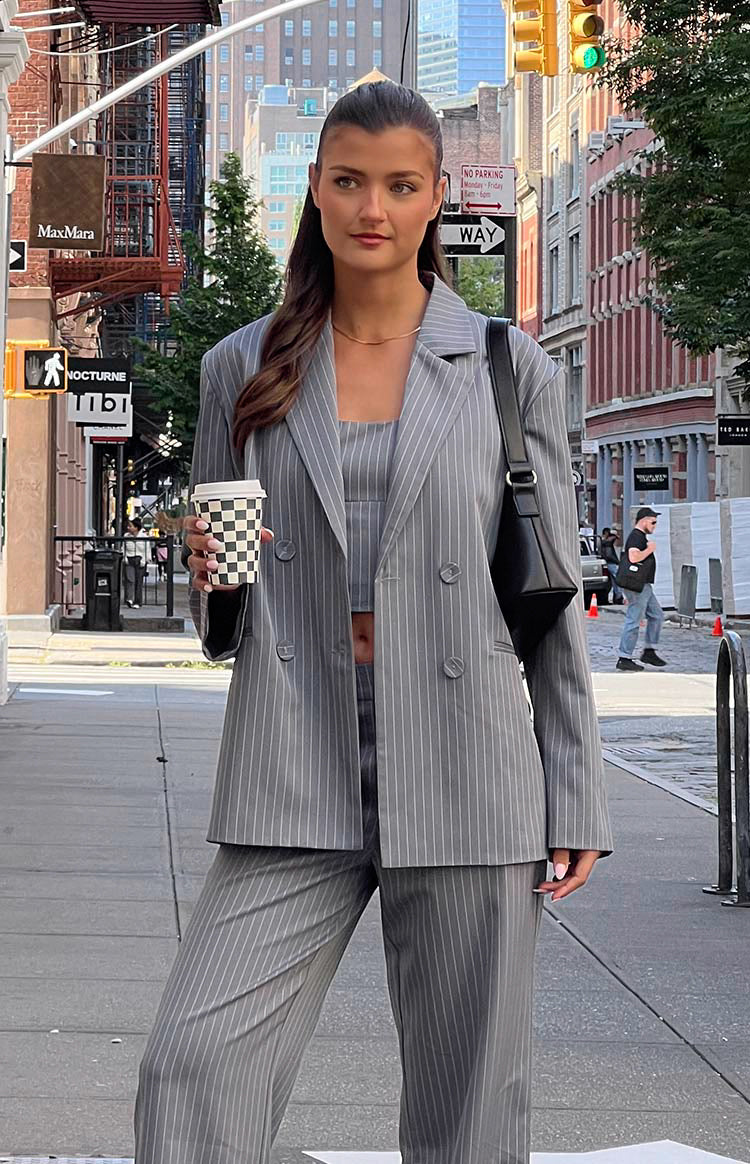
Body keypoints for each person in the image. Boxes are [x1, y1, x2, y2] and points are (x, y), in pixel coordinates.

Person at [135, 81, 613, 1164]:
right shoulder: (240, 368)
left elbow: (546, 595)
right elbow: (222, 602)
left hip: (467, 758)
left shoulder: (505, 366)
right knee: (192, 1067)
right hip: (295, 745)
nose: (374, 209)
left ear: (437, 196)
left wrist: (573, 783)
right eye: (350, 181)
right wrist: (204, 573)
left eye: (401, 185)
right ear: (315, 189)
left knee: (468, 1111)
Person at [616, 506, 667, 671]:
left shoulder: (640, 536)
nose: (654, 526)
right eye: (653, 522)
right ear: (644, 520)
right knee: (634, 619)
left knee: (657, 615)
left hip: (644, 585)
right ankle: (624, 657)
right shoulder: (636, 537)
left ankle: (649, 650)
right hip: (637, 585)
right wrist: (649, 549)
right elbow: (633, 557)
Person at [123, 517, 147, 608]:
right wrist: (124, 557)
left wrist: (144, 560)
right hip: (129, 558)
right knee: (129, 579)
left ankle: (137, 601)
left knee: (138, 581)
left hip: (139, 559)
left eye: (130, 526)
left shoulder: (143, 536)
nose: (128, 528)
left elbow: (146, 549)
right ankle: (129, 598)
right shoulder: (126, 536)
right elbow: (123, 547)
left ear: (136, 527)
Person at [600, 525, 624, 602]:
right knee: (617, 579)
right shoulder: (607, 542)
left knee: (613, 581)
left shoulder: (600, 540)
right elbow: (616, 538)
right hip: (611, 562)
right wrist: (614, 534)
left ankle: (617, 596)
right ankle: (619, 596)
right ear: (606, 533)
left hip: (606, 562)